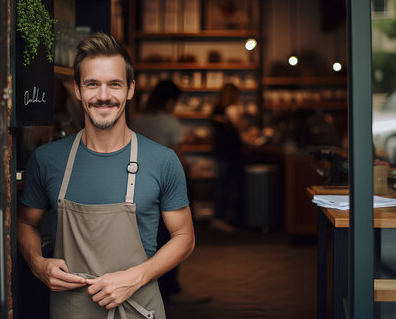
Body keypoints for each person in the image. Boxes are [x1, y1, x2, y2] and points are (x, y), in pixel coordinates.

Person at [18, 33, 195, 319]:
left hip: (139, 310)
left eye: (114, 84)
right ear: (77, 90)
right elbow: (26, 221)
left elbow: (184, 236)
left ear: (130, 89)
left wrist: (136, 277)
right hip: (70, 311)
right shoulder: (47, 159)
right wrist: (38, 263)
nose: (103, 96)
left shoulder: (163, 161)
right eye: (92, 84)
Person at [131, 80, 212, 305]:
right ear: (170, 100)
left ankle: (150, 286)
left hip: (139, 185)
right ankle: (171, 288)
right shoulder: (170, 122)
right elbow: (178, 158)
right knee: (174, 238)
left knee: (148, 238)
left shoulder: (137, 119)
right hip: (165, 185)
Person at [210, 84, 246, 232]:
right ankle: (221, 218)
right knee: (227, 185)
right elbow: (241, 127)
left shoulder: (216, 110)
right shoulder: (231, 109)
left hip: (220, 150)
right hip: (231, 151)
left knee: (223, 184)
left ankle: (220, 217)